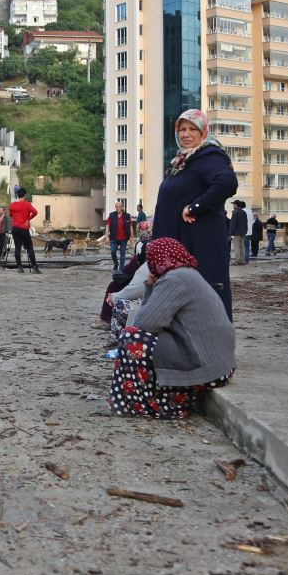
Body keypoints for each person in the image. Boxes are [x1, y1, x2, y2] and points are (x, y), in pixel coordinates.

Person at [107, 237, 236, 419]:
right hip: (218, 365)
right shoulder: (188, 274)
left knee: (131, 337)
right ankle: (152, 400)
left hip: (205, 366)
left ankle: (150, 405)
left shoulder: (174, 279)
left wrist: (150, 286)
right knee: (137, 337)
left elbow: (145, 324)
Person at [152, 109, 238, 320]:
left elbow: (227, 183)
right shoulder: (182, 161)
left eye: (193, 129)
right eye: (182, 129)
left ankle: (214, 338)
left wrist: (195, 207)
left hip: (199, 245)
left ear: (203, 132)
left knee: (206, 294)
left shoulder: (209, 156)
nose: (186, 134)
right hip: (179, 245)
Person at [7, 188, 41, 274]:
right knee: (30, 248)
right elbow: (35, 212)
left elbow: (11, 215)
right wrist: (28, 219)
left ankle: (20, 268)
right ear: (24, 195)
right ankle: (34, 267)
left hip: (15, 228)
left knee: (17, 248)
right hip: (24, 228)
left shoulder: (12, 205)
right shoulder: (27, 204)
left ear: (17, 195)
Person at [106, 201, 133, 269]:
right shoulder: (111, 215)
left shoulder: (127, 216)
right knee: (112, 252)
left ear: (122, 207)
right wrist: (107, 236)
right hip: (114, 238)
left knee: (122, 254)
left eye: (119, 207)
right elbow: (107, 225)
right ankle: (116, 263)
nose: (117, 208)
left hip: (124, 238)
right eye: (116, 207)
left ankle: (121, 268)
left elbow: (130, 226)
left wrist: (132, 237)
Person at [229, 200, 248, 265]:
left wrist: (230, 233)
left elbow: (232, 224)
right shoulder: (244, 212)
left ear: (236, 205)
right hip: (243, 232)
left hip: (237, 232)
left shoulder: (235, 212)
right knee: (242, 246)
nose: (233, 205)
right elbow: (246, 222)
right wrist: (245, 231)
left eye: (233, 204)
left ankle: (238, 260)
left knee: (236, 246)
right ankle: (242, 260)